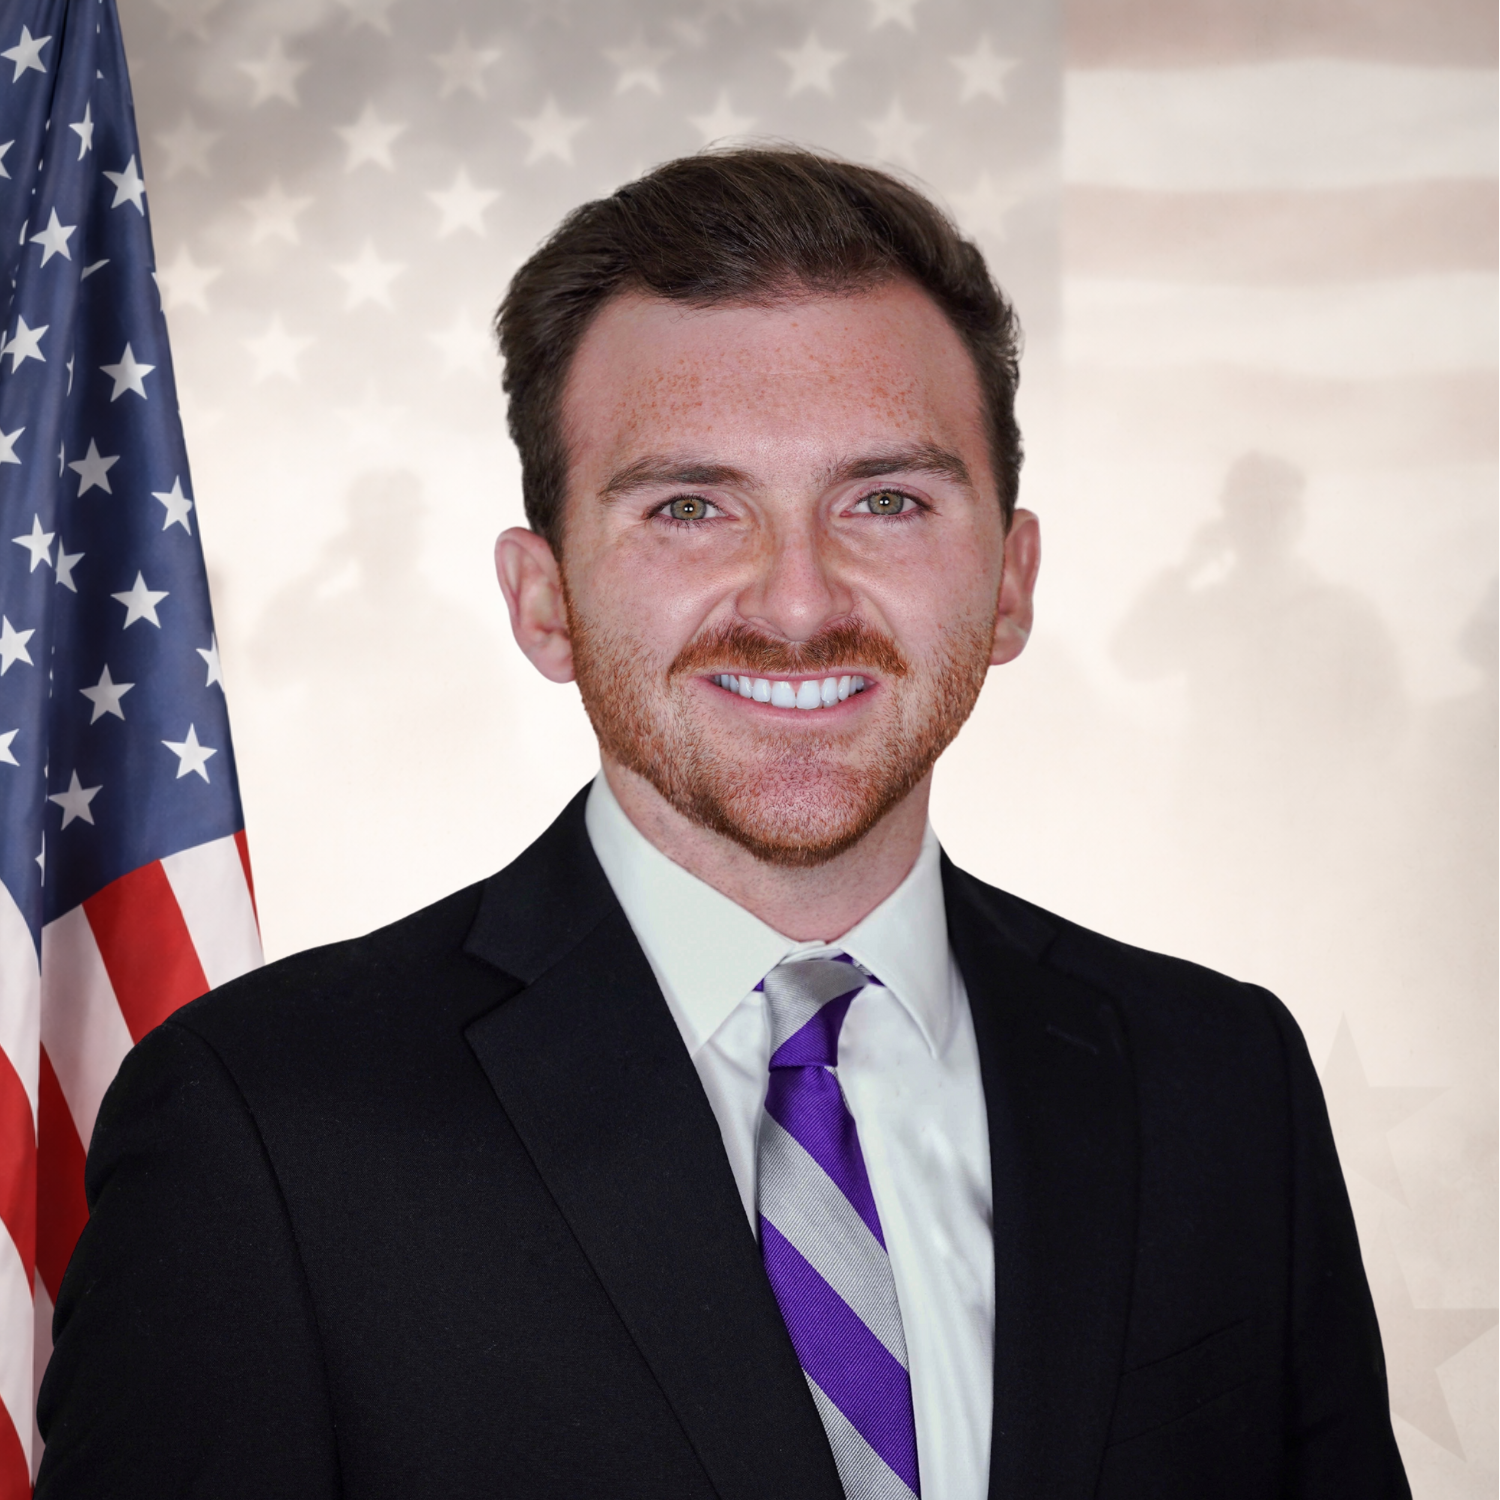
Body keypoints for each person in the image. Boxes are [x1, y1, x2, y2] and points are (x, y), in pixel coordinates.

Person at [36, 149, 1408, 1499]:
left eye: (886, 500)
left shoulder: (1222, 1084)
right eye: (690, 508)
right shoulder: (265, 1126)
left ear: (1010, 579)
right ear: (544, 600)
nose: (800, 602)